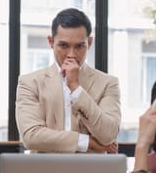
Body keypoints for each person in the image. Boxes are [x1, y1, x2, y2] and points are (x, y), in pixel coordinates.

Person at [16, 8, 121, 153]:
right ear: (51, 42)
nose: (71, 54)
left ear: (89, 43)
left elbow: (108, 134)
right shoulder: (30, 83)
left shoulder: (108, 83)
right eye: (64, 46)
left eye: (79, 46)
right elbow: (31, 136)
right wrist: (87, 142)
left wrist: (76, 88)